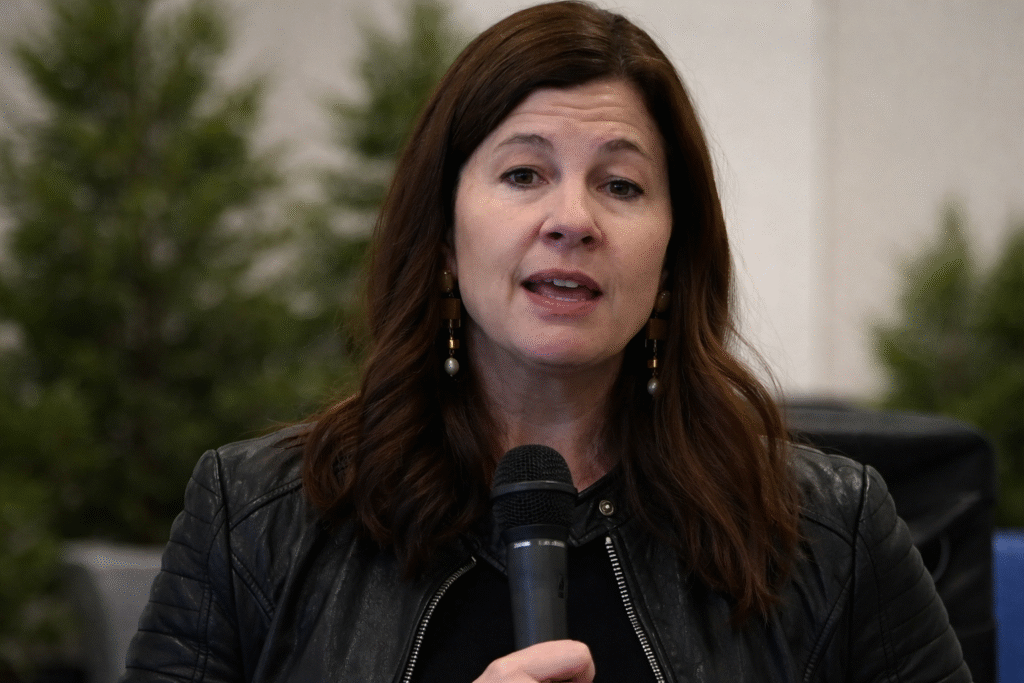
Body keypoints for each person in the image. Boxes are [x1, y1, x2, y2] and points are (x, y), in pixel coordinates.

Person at [121, 2, 971, 681]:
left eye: (621, 183)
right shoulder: (257, 521)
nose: (572, 219)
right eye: (524, 173)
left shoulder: (831, 533)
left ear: (674, 253)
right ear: (446, 235)